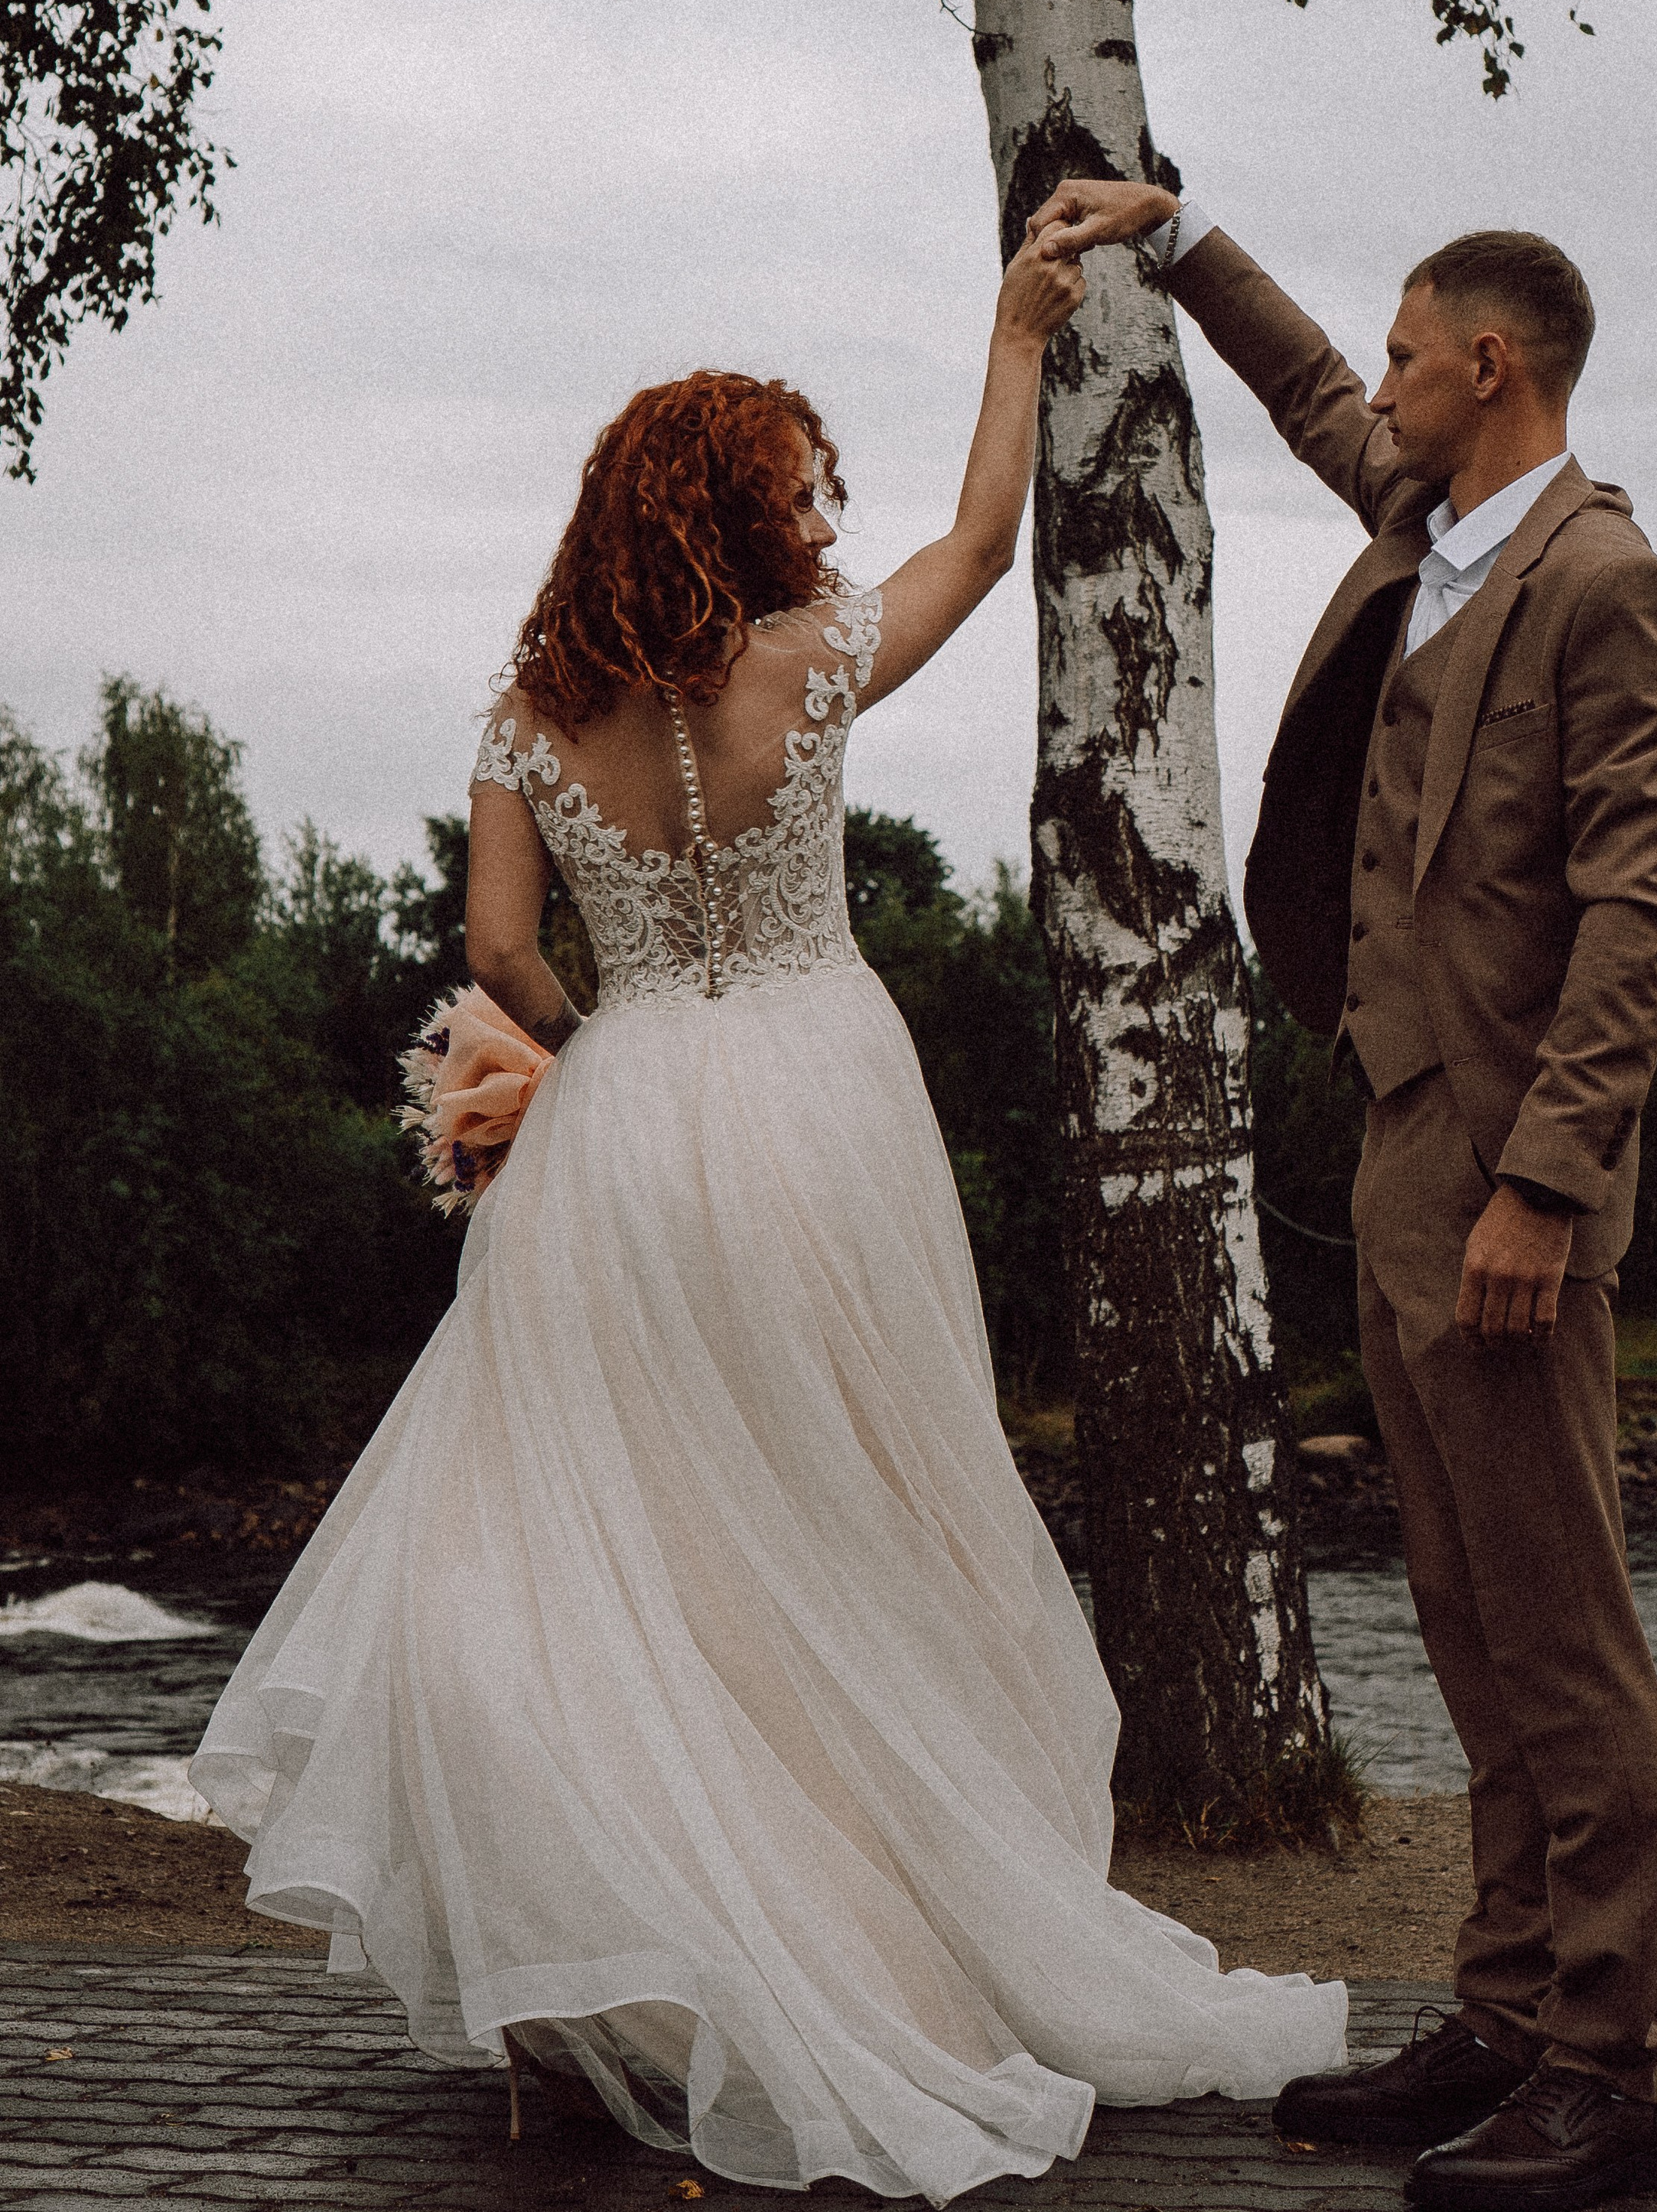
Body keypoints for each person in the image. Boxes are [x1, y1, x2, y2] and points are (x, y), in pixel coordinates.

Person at [190, 233, 1345, 2206]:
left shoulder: (529, 722)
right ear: (737, 510)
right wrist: (1016, 331)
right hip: (823, 1105)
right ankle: (873, 1940)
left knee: (609, 1543)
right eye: (800, 491)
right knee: (845, 1515)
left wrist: (605, 1055)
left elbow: (499, 953)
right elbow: (984, 542)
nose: (822, 520)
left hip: (629, 1126)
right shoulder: (808, 665)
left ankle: (608, 1976)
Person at [1022, 180, 1657, 2212]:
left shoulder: (1604, 584)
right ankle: (1507, 2013)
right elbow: (1310, 386)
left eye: (1413, 354)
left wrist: (1545, 1190)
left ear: (1491, 369)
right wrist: (1177, 237)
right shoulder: (1428, 525)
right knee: (1470, 1624)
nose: (1382, 384)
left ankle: (1609, 2072)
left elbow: (1638, 917)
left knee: (1566, 1640)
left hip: (1509, 1185)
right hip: (1404, 1150)